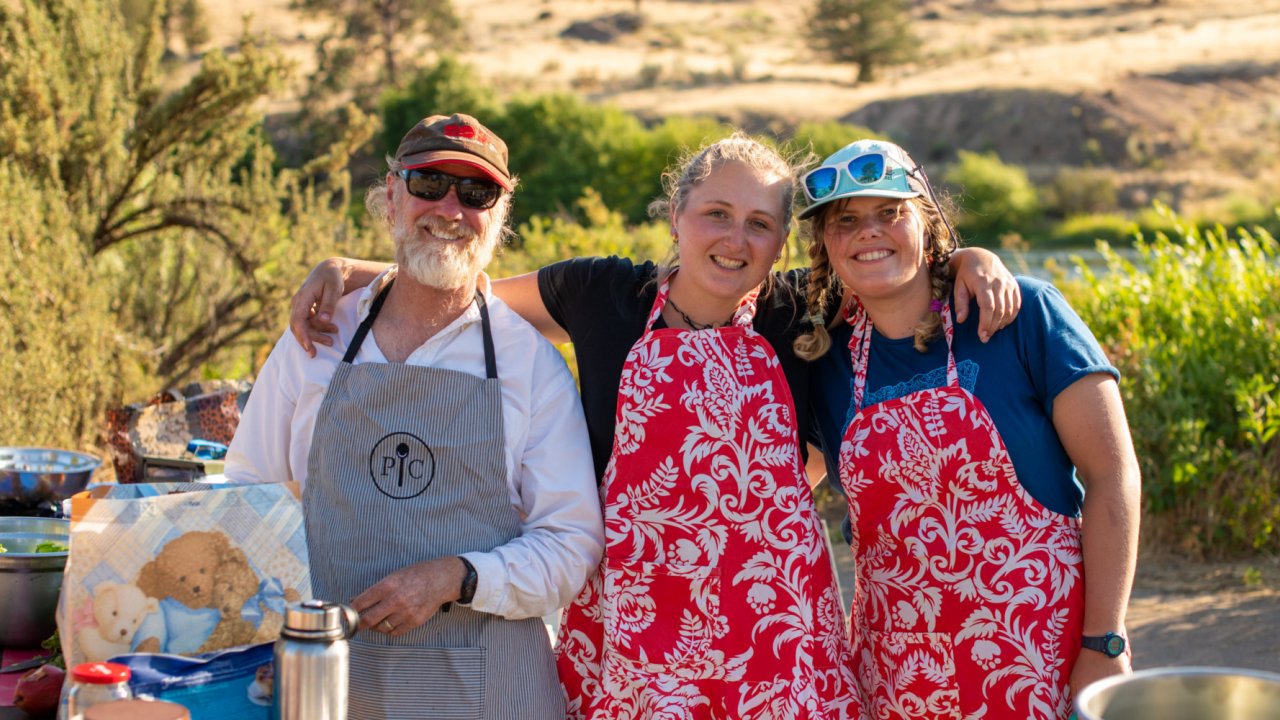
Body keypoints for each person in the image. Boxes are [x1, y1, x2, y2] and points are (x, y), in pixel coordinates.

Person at [288, 132, 1021, 719]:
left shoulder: (802, 309)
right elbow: (464, 287)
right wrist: (354, 270)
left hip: (777, 639)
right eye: (716, 214)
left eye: (760, 224)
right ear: (676, 215)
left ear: (780, 244)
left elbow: (898, 268)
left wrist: (969, 259)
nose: (736, 239)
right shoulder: (601, 292)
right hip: (636, 634)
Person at [224, 113, 604, 720]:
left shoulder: (529, 363)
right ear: (392, 196)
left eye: (476, 193)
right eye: (429, 183)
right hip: (324, 685)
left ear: (500, 214)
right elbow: (248, 498)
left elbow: (570, 547)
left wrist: (458, 577)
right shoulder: (319, 338)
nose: (450, 208)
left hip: (486, 695)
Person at [794, 138, 1141, 719]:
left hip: (1042, 656)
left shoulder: (1021, 314)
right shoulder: (823, 358)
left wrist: (1104, 639)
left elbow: (1113, 475)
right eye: (845, 220)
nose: (867, 231)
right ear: (826, 245)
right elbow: (784, 491)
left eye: (890, 212)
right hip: (899, 674)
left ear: (928, 224)